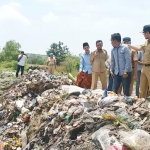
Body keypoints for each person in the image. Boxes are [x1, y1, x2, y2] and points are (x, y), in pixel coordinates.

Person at [128, 25, 150, 98]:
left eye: (143, 33)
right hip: (144, 68)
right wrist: (129, 45)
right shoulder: (147, 42)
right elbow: (140, 48)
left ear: (147, 32)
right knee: (142, 88)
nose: (143, 35)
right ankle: (142, 104)